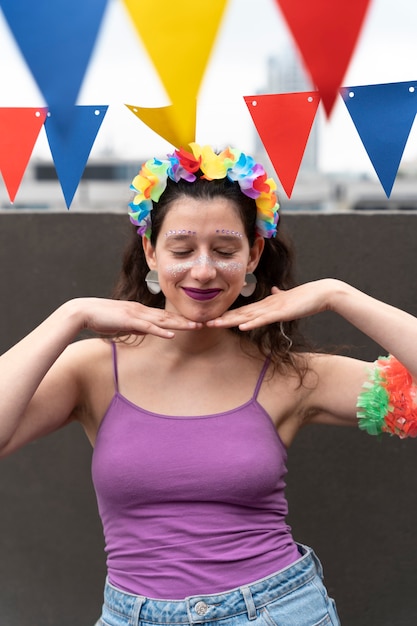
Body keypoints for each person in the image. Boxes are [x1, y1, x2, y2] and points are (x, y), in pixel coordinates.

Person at [1, 143, 417, 626]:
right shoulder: (91, 369)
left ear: (253, 255)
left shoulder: (292, 375)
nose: (202, 270)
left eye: (224, 251)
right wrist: (70, 314)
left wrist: (337, 295)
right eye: (181, 249)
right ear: (151, 252)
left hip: (276, 611)